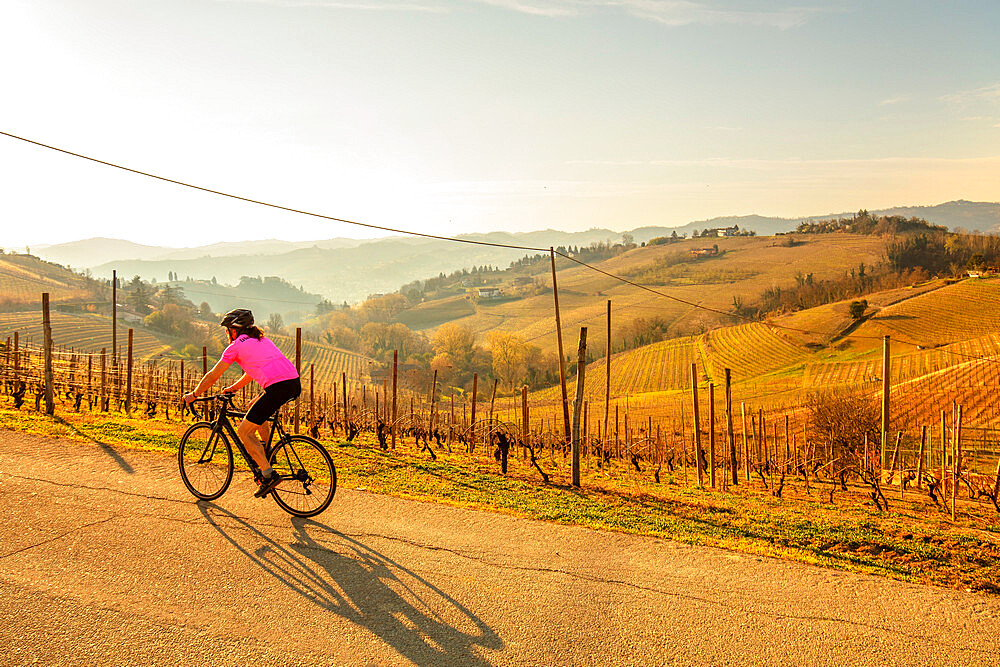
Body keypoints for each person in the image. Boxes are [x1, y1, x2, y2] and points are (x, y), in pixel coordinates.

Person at [183, 308, 300, 498]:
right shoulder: (262, 340)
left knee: (243, 432)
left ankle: (268, 474)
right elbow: (252, 371)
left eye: (227, 330)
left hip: (277, 388)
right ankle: (266, 451)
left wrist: (195, 394)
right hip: (293, 383)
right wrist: (235, 387)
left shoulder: (235, 346)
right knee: (255, 408)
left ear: (234, 330)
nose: (227, 334)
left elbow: (212, 375)